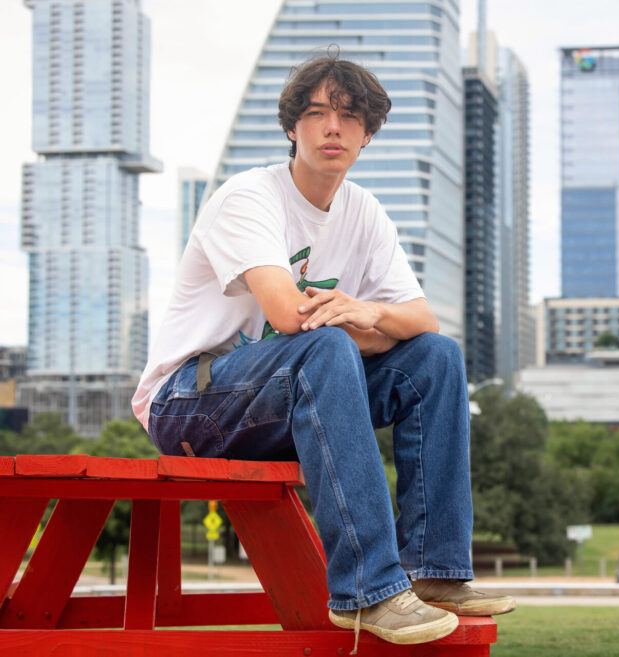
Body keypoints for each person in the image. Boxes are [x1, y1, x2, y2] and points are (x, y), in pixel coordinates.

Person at [132, 52, 515, 650]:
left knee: (436, 359)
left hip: (291, 399)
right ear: (292, 127)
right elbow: (290, 315)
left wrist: (368, 313)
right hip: (189, 401)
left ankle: (435, 570)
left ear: (368, 132)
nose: (331, 128)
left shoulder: (364, 212)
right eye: (315, 114)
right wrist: (366, 328)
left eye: (347, 116)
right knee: (327, 346)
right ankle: (370, 591)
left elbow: (422, 323)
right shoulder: (249, 197)